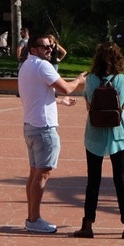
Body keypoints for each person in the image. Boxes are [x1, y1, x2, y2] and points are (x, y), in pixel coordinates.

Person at [18, 34, 84, 234]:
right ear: (33, 49)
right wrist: (79, 80)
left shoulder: (26, 66)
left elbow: (38, 95)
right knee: (42, 174)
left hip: (31, 125)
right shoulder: (42, 66)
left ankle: (31, 217)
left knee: (34, 173)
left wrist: (59, 102)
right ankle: (34, 219)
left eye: (51, 46)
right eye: (45, 47)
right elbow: (66, 88)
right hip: (44, 127)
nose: (49, 50)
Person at [75, 43, 124, 240]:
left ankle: (87, 224)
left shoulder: (91, 80)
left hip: (94, 134)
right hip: (118, 133)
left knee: (93, 180)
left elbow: (88, 104)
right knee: (121, 179)